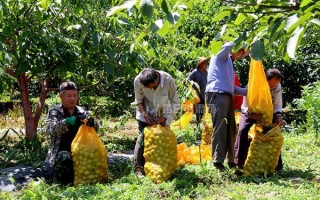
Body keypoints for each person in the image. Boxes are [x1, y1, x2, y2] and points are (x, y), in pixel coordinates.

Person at [206, 42, 251, 171]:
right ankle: (217, 161)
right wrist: (243, 41)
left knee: (231, 128)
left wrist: (247, 91)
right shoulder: (219, 55)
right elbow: (228, 46)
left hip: (226, 95)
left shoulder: (229, 64)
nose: (240, 55)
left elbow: (232, 88)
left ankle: (231, 160)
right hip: (216, 94)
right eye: (240, 52)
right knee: (220, 127)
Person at [45, 81, 99, 185]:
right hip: (61, 151)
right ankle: (61, 183)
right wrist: (66, 122)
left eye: (75, 95)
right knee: (64, 157)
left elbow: (96, 129)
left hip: (81, 151)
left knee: (97, 154)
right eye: (69, 96)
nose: (72, 99)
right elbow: (49, 129)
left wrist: (93, 123)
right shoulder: (55, 111)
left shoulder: (82, 111)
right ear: (61, 96)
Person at [234, 68, 285, 170]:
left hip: (268, 113)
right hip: (251, 112)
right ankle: (238, 163)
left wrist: (278, 116)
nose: (273, 87)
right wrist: (250, 114)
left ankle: (277, 165)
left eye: (276, 84)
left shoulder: (277, 87)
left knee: (273, 133)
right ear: (265, 80)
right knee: (243, 130)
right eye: (271, 84)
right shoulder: (253, 85)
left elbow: (278, 105)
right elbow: (244, 105)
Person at [132, 68, 180, 176]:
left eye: (152, 87)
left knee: (162, 140)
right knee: (142, 138)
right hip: (145, 113)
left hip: (163, 114)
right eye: (148, 88)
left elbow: (175, 102)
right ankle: (138, 168)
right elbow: (139, 101)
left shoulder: (168, 80)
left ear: (157, 79)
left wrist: (166, 117)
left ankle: (163, 166)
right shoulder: (138, 81)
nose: (150, 89)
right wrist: (145, 115)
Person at [187, 57, 210, 124]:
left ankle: (200, 125)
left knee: (202, 112)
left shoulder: (206, 73)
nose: (206, 65)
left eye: (207, 64)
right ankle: (197, 126)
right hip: (197, 96)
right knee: (198, 112)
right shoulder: (195, 72)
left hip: (204, 95)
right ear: (201, 64)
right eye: (205, 64)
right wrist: (192, 89)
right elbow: (187, 81)